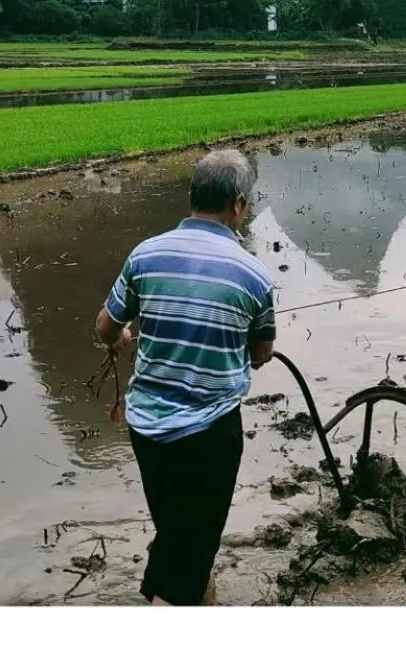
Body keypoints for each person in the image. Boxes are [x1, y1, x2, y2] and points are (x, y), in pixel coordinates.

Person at [93, 148, 277, 606]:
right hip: (210, 433)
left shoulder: (145, 256)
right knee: (191, 543)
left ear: (194, 196)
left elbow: (105, 327)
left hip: (148, 430)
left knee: (179, 531)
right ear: (237, 205)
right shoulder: (253, 276)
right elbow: (262, 354)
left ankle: (199, 593)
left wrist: (123, 336)